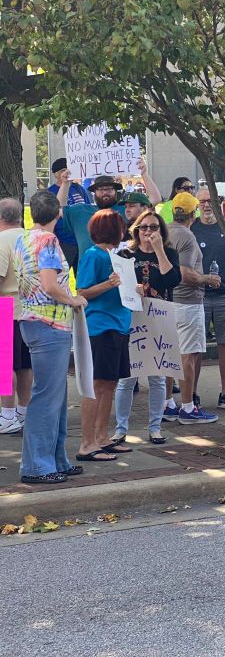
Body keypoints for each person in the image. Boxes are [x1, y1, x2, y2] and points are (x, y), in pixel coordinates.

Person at [15, 191, 89, 483]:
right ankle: (37, 466)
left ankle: (56, 459)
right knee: (46, 396)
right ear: (58, 214)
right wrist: (73, 299)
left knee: (54, 394)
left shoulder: (23, 239)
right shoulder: (48, 240)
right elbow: (49, 284)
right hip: (49, 323)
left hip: (33, 321)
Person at [111, 210, 182, 445]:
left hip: (159, 317)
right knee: (127, 378)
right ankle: (120, 429)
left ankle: (155, 428)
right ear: (136, 230)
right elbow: (117, 285)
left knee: (157, 377)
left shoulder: (169, 252)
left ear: (161, 231)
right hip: (132, 318)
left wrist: (159, 250)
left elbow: (172, 280)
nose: (148, 231)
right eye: (144, 227)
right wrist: (133, 290)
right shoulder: (126, 254)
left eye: (153, 227)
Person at [75, 209, 134, 462]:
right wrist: (109, 284)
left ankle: (102, 437)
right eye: (121, 227)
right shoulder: (93, 255)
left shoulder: (113, 255)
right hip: (102, 326)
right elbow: (82, 291)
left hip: (119, 325)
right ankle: (87, 443)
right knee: (97, 385)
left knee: (110, 384)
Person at [163, 191, 220, 424]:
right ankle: (187, 407)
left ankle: (167, 403)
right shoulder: (186, 236)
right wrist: (208, 279)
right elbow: (185, 273)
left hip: (167, 301)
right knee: (188, 355)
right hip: (187, 302)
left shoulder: (164, 231)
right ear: (193, 213)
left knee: (168, 354)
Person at [192, 188, 225, 412]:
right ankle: (191, 394)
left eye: (211, 200)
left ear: (220, 202)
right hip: (198, 295)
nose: (206, 205)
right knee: (194, 348)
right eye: (202, 201)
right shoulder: (191, 228)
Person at [0, 199, 32, 436]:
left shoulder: (1, 241)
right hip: (30, 308)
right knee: (24, 365)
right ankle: (23, 411)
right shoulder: (32, 238)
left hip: (5, 306)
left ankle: (7, 415)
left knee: (5, 365)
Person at [46, 157, 92, 271]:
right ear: (55, 174)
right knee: (60, 275)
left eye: (69, 170)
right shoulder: (50, 192)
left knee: (83, 276)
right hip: (63, 241)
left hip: (82, 240)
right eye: (63, 170)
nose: (67, 173)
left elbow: (88, 209)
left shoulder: (79, 189)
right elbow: (49, 218)